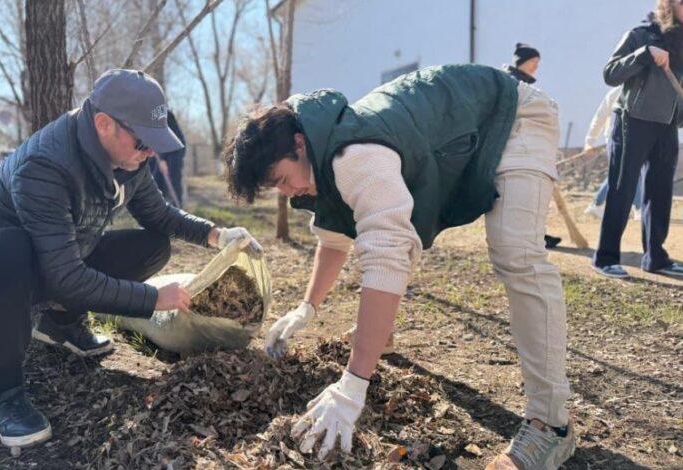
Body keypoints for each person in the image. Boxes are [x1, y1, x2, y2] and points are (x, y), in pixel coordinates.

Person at [224, 64, 574, 469]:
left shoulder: (355, 155)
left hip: (512, 117)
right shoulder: (322, 155)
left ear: (299, 143)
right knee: (383, 239)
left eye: (283, 180)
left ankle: (551, 424)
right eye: (278, 188)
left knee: (516, 253)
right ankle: (381, 335)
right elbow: (334, 240)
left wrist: (353, 385)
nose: (289, 192)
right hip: (467, 129)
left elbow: (387, 256)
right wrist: (307, 308)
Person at [0, 69, 261, 451]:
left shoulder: (129, 159)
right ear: (104, 124)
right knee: (9, 246)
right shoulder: (45, 166)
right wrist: (153, 299)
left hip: (51, 261)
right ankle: (7, 393)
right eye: (143, 141)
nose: (150, 152)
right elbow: (66, 276)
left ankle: (61, 323)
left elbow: (159, 215)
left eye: (154, 142)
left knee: (153, 246)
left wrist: (217, 235)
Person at [592, 0, 683, 279]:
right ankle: (606, 257)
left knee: (660, 194)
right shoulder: (641, 34)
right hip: (632, 121)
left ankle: (656, 258)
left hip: (667, 125)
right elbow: (610, 74)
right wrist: (644, 54)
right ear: (668, 5)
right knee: (622, 190)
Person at [503, 42, 563, 250]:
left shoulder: (521, 83)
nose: (536, 66)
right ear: (522, 61)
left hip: (525, 148)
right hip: (515, 149)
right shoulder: (512, 83)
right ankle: (531, 237)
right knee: (522, 197)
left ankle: (536, 235)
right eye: (533, 61)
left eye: (538, 62)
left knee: (528, 197)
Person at [582, 87, 643, 221]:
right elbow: (600, 116)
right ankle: (637, 208)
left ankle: (598, 204)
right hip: (616, 138)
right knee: (626, 171)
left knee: (628, 171)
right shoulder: (616, 92)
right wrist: (589, 141)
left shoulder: (645, 89)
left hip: (635, 139)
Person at [148, 110, 186, 206]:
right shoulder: (146, 115)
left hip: (174, 151)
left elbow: (165, 137)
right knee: (156, 181)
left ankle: (177, 207)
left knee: (173, 181)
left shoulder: (163, 113)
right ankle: (162, 208)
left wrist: (163, 160)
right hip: (160, 152)